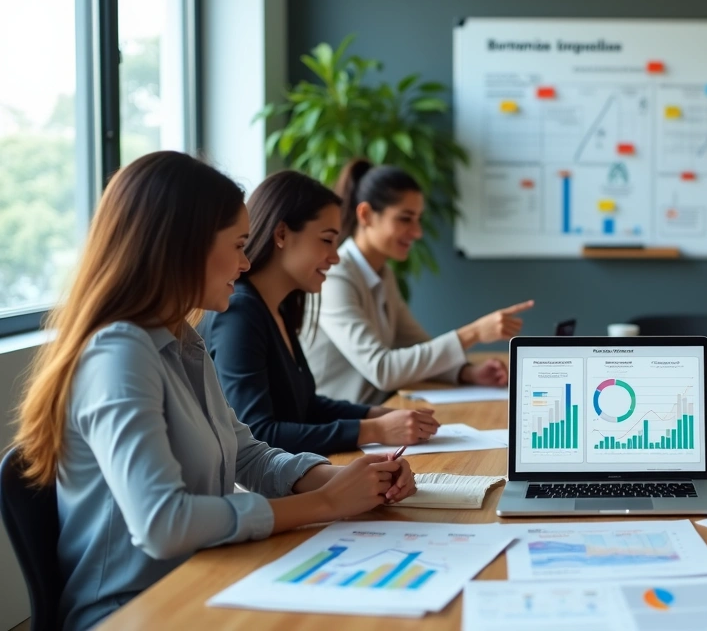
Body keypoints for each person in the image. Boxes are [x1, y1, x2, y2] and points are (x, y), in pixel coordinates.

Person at [11, 152, 417, 631]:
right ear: (184, 246)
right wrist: (326, 505)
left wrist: (338, 479)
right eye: (239, 245)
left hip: (204, 580)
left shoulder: (184, 340)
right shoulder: (117, 356)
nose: (247, 262)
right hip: (133, 611)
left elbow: (246, 455)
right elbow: (163, 524)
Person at [199, 170, 439, 454]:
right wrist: (375, 430)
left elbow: (307, 406)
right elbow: (258, 434)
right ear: (282, 234)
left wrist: (377, 415)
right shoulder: (240, 312)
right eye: (327, 240)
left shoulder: (280, 306)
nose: (335, 256)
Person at [303, 158, 534, 405]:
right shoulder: (335, 276)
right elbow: (382, 369)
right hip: (337, 431)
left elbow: (419, 347)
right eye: (405, 219)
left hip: (376, 416)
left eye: (418, 219)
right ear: (366, 214)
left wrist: (466, 372)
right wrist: (474, 332)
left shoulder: (382, 274)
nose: (417, 232)